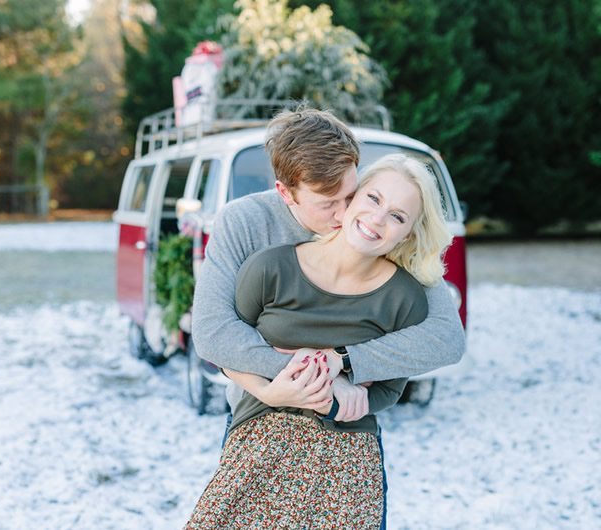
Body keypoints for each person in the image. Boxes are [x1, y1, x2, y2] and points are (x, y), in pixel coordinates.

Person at [185, 153, 453, 528]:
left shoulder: (404, 296)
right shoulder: (271, 267)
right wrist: (283, 389)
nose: (378, 219)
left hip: (348, 451)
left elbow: (391, 387)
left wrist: (343, 389)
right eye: (373, 199)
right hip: (261, 433)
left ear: (408, 233)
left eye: (397, 216)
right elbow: (227, 344)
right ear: (350, 202)